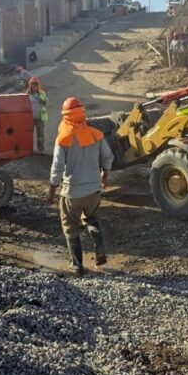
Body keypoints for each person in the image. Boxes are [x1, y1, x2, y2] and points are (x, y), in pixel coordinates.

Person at [48, 97, 114, 275]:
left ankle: (76, 265)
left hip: (72, 193)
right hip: (94, 190)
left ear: (65, 116)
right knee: (91, 217)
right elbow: (108, 157)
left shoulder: (63, 138)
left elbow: (57, 167)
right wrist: (104, 174)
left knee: (70, 226)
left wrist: (52, 187)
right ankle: (99, 247)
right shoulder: (96, 134)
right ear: (82, 114)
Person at [27, 77, 48, 154]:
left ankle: (41, 150)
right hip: (30, 118)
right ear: (30, 85)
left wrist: (44, 101)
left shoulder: (42, 93)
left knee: (40, 135)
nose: (34, 86)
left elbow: (47, 102)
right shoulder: (27, 95)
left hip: (40, 118)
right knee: (29, 135)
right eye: (33, 85)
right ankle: (29, 150)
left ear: (38, 85)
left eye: (36, 84)